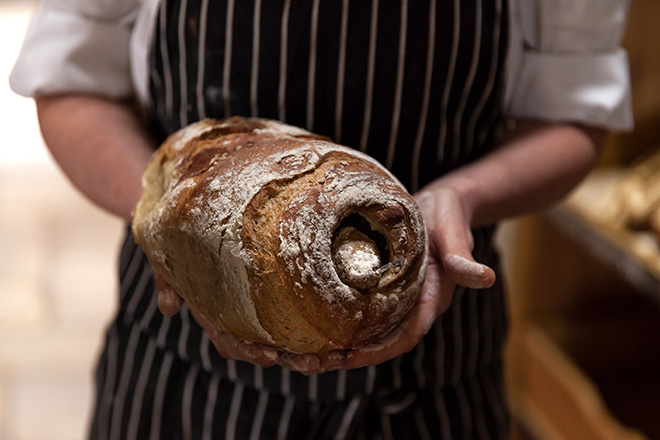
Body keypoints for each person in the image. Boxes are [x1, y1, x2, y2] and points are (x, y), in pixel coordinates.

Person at [11, 0, 633, 438]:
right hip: (184, 373)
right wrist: (180, 230)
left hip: (432, 374)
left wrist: (462, 195)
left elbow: (574, 113)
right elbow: (72, 83)